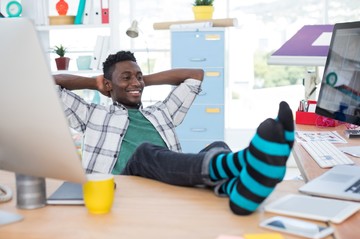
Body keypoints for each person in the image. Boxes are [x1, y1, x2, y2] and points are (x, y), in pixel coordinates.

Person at [54, 50, 295, 215]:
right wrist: (97, 83)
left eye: (138, 77)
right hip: (123, 192)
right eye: (125, 78)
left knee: (217, 145)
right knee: (143, 153)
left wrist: (140, 79)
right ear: (108, 85)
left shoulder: (161, 111)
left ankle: (237, 193)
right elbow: (49, 83)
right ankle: (244, 163)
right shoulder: (93, 114)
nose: (136, 83)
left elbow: (195, 76)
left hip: (168, 185)